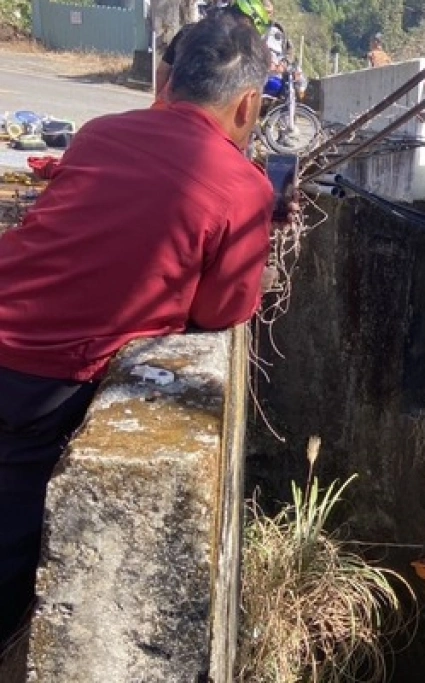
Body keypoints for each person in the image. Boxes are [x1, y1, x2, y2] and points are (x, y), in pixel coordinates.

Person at [0, 11, 274, 653]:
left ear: (166, 80)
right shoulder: (244, 188)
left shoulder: (100, 133)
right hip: (42, 381)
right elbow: (221, 312)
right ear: (249, 104)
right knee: (12, 552)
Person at [154, 0, 270, 106]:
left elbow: (162, 71)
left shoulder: (188, 31)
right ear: (247, 22)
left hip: (170, 107)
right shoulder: (242, 50)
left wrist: (159, 100)